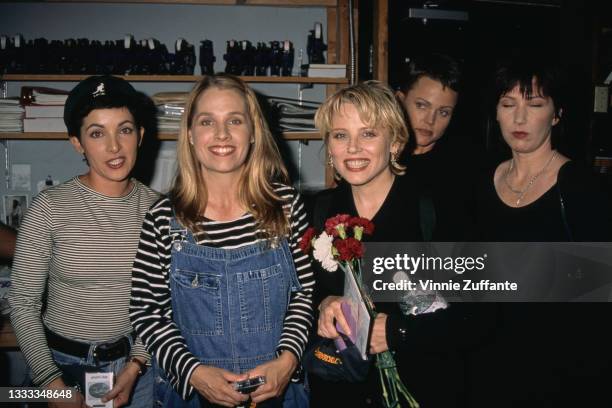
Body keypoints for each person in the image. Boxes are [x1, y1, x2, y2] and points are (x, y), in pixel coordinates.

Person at [129, 74, 314, 408]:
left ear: (254, 132)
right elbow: (147, 311)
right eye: (207, 121)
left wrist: (286, 362)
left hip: (279, 393)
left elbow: (304, 294)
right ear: (189, 134)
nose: (222, 134)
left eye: (235, 120)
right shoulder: (162, 217)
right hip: (193, 396)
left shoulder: (286, 206)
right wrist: (195, 373)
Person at [309, 81, 494, 407]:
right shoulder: (320, 211)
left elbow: (480, 317)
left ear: (394, 142)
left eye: (368, 134)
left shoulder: (439, 211)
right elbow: (297, 302)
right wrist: (324, 307)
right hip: (342, 392)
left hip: (423, 389)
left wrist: (397, 332)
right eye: (340, 135)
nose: (353, 148)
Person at [9, 75, 160, 408]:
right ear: (77, 142)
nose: (114, 147)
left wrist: (136, 365)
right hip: (62, 366)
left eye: (125, 129)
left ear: (141, 135)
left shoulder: (159, 210)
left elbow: (161, 303)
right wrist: (51, 383)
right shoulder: (49, 207)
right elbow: (22, 302)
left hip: (136, 368)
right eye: (96, 133)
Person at [471, 59, 612, 407]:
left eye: (534, 105)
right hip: (488, 364)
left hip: (562, 371)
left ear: (556, 114)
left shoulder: (581, 187)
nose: (519, 119)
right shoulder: (481, 183)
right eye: (508, 105)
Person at [395, 53, 484, 240]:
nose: (430, 120)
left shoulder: (464, 169)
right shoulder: (379, 159)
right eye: (421, 105)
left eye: (443, 112)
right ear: (400, 100)